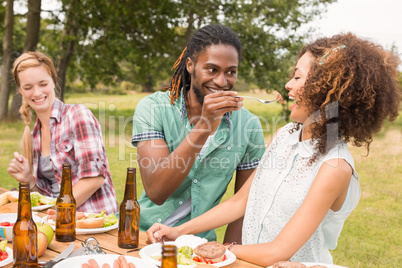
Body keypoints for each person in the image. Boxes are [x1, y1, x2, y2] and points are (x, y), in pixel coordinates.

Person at [146, 33, 401, 266]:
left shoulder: (335, 167)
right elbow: (240, 202)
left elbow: (276, 252)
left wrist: (209, 249)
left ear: (326, 91)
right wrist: (180, 232)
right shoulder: (284, 136)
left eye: (298, 77)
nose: (288, 85)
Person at [131, 24, 265, 242]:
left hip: (198, 244)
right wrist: (204, 126)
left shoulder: (248, 125)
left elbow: (243, 206)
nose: (222, 82)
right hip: (141, 235)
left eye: (231, 72)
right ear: (191, 65)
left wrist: (229, 255)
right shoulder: (153, 108)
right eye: (212, 70)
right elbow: (156, 191)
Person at [7, 51, 118, 215]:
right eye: (28, 87)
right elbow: (48, 196)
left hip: (93, 221)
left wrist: (56, 211)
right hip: (58, 221)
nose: (37, 93)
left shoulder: (77, 115)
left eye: (43, 84)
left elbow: (94, 178)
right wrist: (28, 179)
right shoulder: (35, 135)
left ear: (53, 81)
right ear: (21, 91)